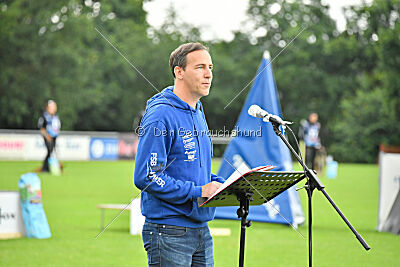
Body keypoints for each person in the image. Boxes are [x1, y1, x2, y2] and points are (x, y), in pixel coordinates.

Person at [134, 43, 225, 267]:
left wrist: (222, 185)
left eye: (210, 67)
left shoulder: (197, 110)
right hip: (169, 231)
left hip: (201, 229)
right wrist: (197, 191)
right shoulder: (161, 115)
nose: (208, 74)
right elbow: (147, 176)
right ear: (179, 72)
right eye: (200, 67)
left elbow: (190, 169)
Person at [37, 100, 61, 172]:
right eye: (52, 107)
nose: (54, 108)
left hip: (54, 136)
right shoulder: (44, 116)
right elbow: (42, 128)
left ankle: (46, 168)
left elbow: (57, 126)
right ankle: (45, 168)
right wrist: (47, 136)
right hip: (48, 137)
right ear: (48, 107)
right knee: (50, 151)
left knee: (51, 152)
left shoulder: (56, 116)